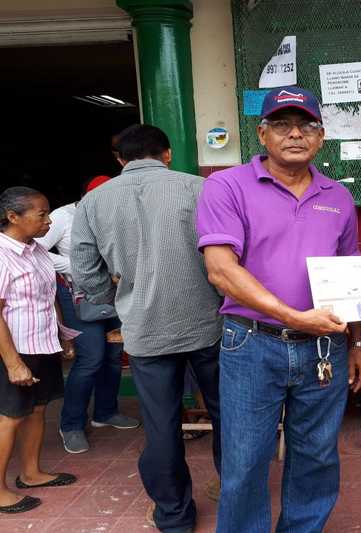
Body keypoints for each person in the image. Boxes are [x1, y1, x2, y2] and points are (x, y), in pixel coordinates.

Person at [196, 86, 361, 533]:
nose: (295, 134)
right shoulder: (226, 186)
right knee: (245, 460)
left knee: (317, 456)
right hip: (252, 344)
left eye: (306, 126)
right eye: (282, 125)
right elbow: (221, 270)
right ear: (262, 133)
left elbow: (349, 274)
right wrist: (292, 316)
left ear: (321, 136)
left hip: (324, 348)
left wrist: (359, 341)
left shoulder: (338, 196)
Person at [70, 125, 223, 532]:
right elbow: (231, 255)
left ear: (120, 159)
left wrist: (121, 298)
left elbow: (84, 270)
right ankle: (235, 493)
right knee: (228, 415)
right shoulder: (200, 188)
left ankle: (174, 516)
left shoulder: (93, 202)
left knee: (161, 425)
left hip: (144, 330)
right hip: (208, 324)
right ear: (167, 154)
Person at [36, 175, 139, 455]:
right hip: (78, 296)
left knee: (114, 355)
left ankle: (105, 412)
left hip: (114, 293)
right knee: (91, 357)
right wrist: (77, 265)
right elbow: (36, 250)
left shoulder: (116, 213)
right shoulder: (63, 217)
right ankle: (71, 424)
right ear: (86, 198)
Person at [0, 186, 77, 514]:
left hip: (41, 344)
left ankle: (31, 474)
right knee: (10, 416)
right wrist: (13, 362)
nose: (49, 221)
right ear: (13, 217)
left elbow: (50, 297)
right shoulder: (2, 254)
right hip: (14, 349)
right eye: (42, 214)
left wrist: (64, 337)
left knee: (36, 409)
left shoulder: (37, 251)